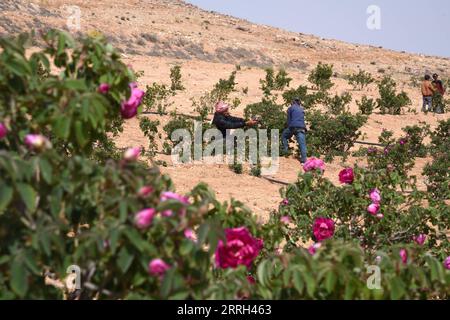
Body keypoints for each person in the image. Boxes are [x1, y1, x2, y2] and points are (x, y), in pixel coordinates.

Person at [281, 98, 307, 164]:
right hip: (302, 128)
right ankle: (304, 161)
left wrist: (287, 127)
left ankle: (286, 151)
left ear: (292, 102)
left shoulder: (290, 108)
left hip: (293, 127)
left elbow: (289, 120)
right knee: (302, 144)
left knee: (284, 136)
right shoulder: (302, 109)